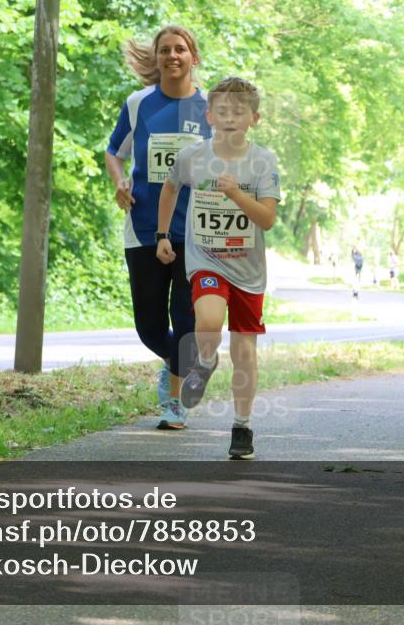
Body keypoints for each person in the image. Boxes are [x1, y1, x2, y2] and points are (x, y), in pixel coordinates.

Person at [156, 77, 280, 460]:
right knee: (207, 319)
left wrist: (236, 194)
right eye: (222, 111)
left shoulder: (262, 161)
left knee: (245, 352)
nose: (229, 118)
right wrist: (162, 234)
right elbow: (170, 187)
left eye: (238, 112)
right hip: (206, 260)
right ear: (209, 115)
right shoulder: (193, 156)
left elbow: (267, 219)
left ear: (253, 118)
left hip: (248, 270)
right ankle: (206, 360)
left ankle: (242, 427)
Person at [105, 25, 211, 430]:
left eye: (180, 49)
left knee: (185, 319)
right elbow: (114, 151)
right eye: (164, 49)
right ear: (158, 57)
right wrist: (119, 181)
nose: (172, 56)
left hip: (195, 230)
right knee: (149, 326)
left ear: (193, 57)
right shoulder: (138, 104)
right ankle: (182, 366)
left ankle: (175, 403)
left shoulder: (209, 110)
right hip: (145, 225)